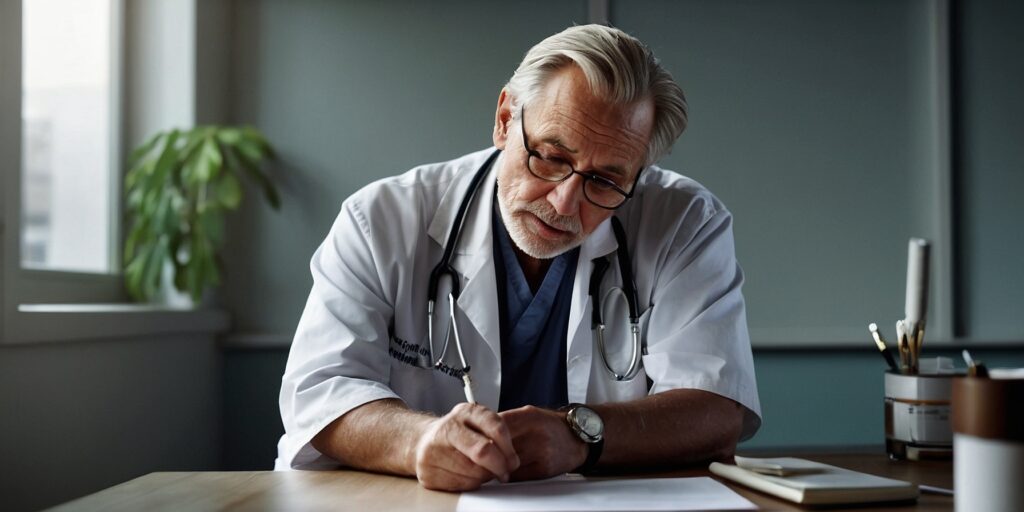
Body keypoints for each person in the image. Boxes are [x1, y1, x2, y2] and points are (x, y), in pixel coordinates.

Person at [276, 24, 761, 491]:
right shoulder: (382, 219)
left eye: (606, 181)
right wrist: (419, 441)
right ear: (506, 119)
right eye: (550, 157)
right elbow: (319, 392)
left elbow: (716, 409)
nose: (565, 202)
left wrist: (579, 434)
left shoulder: (685, 222)